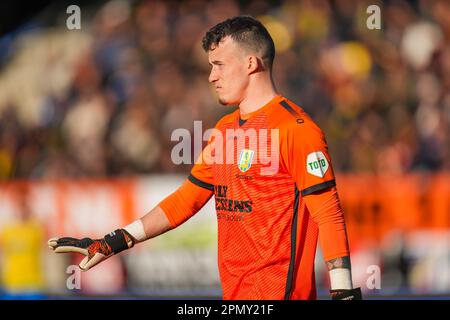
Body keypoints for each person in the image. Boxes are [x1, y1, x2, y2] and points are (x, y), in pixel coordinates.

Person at [48, 16, 361, 300]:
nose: (212, 76)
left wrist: (343, 292)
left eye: (219, 64)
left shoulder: (296, 129)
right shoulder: (224, 131)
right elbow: (187, 199)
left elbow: (328, 214)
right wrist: (116, 240)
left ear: (251, 63)